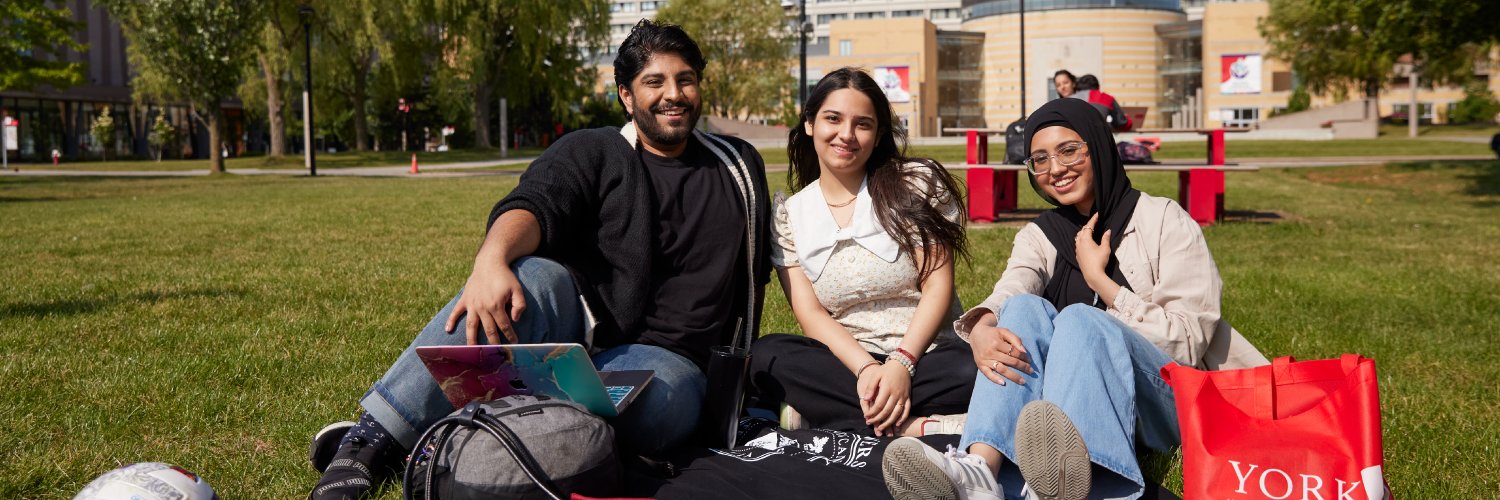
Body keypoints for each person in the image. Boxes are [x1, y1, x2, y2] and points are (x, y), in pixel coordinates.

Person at [308, 19, 772, 499]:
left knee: (659, 410)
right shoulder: (598, 150)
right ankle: (366, 442)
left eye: (685, 79)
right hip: (586, 333)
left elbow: (774, 263)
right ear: (626, 96)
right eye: (654, 82)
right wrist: (490, 260)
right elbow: (534, 202)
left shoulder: (737, 165)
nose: (673, 94)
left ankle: (453, 439)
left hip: (676, 363)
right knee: (530, 275)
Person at [881, 98, 1267, 500]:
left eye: (1069, 150)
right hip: (1064, 404)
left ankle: (1083, 475)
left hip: (1168, 403)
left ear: (1098, 146)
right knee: (1023, 309)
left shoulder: (1164, 219)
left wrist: (1101, 282)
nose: (1056, 169)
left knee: (1081, 319)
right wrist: (981, 325)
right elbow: (1014, 286)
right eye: (1040, 159)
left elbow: (1187, 345)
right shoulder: (1041, 234)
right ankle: (981, 471)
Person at [748, 68, 975, 438]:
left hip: (929, 355)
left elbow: (938, 287)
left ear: (879, 134)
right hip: (847, 363)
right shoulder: (790, 215)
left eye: (863, 124)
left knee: (977, 368)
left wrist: (901, 365)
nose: (846, 135)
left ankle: (838, 418)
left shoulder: (915, 184)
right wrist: (868, 370)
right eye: (833, 119)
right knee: (767, 356)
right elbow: (811, 314)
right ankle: (918, 427)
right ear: (809, 124)